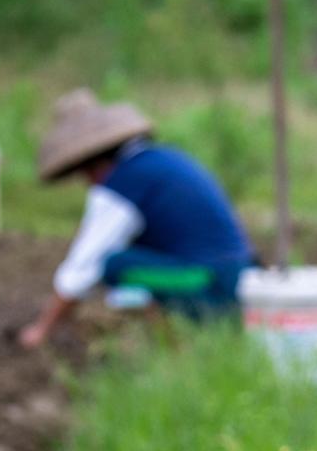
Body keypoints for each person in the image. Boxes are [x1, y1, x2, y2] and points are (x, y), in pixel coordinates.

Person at [19, 90, 257, 348]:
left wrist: (41, 330)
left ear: (95, 162)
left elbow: (82, 266)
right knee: (136, 252)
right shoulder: (163, 159)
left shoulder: (124, 183)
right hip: (242, 276)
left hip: (213, 285)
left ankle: (171, 343)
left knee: (116, 265)